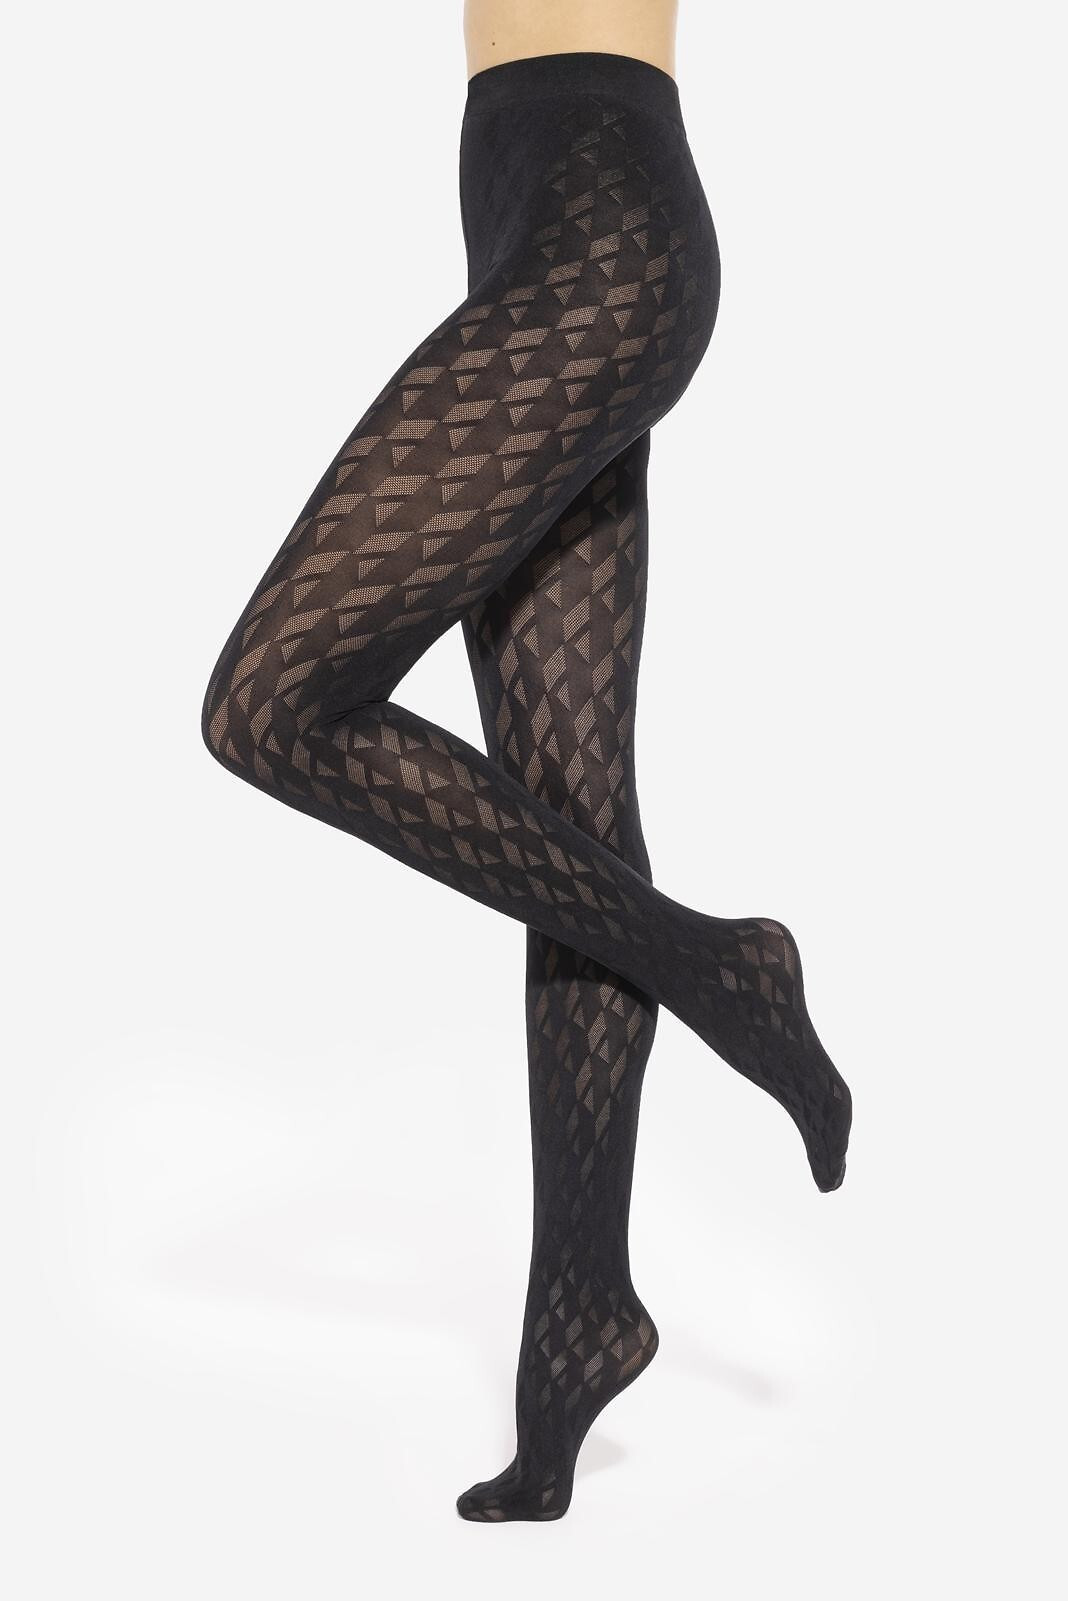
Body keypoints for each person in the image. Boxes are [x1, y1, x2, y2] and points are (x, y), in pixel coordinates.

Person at [200, 0, 852, 1522]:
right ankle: (579, 1319)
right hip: (536, 219)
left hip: (601, 236)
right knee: (567, 812)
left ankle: (722, 966)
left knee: (270, 705)